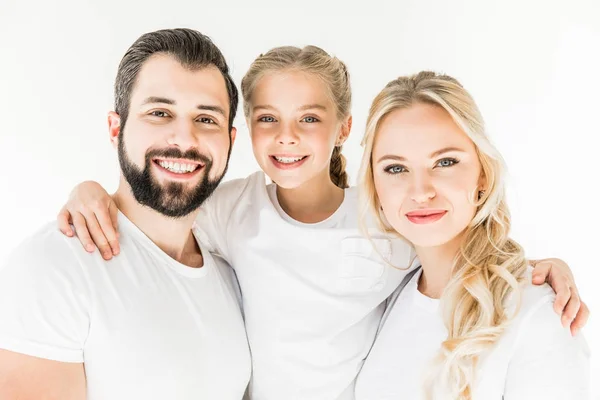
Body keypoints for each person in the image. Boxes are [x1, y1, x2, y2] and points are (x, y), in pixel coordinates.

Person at [54, 47, 587, 399]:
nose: (288, 137)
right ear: (246, 132)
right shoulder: (233, 210)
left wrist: (535, 267)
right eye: (269, 120)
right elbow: (158, 210)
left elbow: (455, 245)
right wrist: (92, 191)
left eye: (309, 118)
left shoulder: (384, 224)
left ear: (342, 129)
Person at [0, 28, 251, 400]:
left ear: (230, 141)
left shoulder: (232, 274)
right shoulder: (54, 268)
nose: (184, 139)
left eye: (206, 119)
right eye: (159, 113)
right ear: (116, 129)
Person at [354, 71, 590, 399]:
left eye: (445, 162)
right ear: (375, 185)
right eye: (396, 168)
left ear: (483, 174)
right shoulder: (387, 295)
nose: (420, 192)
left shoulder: (537, 315)